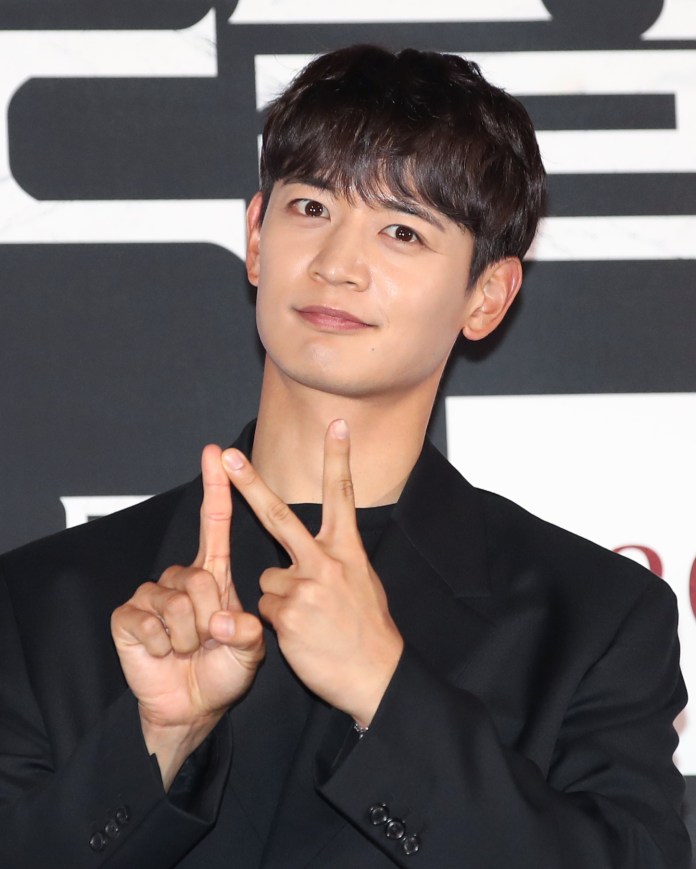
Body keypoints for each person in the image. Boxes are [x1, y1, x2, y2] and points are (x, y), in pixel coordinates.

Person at [0, 45, 689, 868]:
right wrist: (159, 735)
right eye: (311, 208)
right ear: (256, 239)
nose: (337, 265)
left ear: (487, 296)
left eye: (401, 229)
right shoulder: (45, 601)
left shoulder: (595, 622)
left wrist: (387, 691)